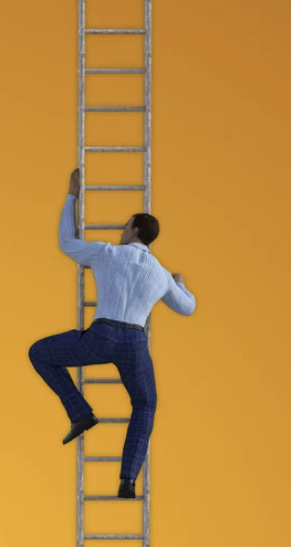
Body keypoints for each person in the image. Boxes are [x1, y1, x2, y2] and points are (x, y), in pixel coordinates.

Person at [28, 168, 195, 499]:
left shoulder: (107, 253)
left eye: (124, 227)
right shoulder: (160, 274)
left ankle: (80, 413)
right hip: (134, 343)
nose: (120, 232)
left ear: (134, 230)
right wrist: (180, 284)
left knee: (39, 353)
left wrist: (72, 196)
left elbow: (67, 242)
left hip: (100, 338)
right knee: (145, 405)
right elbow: (187, 308)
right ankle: (127, 481)